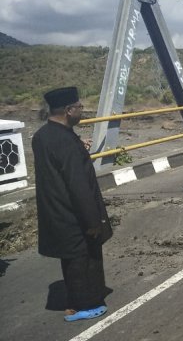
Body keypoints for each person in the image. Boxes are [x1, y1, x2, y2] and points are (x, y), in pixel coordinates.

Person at [32, 86, 113, 322]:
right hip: (74, 213)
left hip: (55, 210)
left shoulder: (43, 136)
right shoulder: (66, 141)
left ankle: (75, 302)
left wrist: (78, 147)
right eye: (79, 107)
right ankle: (85, 305)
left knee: (70, 259)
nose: (81, 110)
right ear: (68, 110)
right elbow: (78, 186)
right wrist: (92, 221)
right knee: (84, 258)